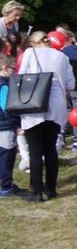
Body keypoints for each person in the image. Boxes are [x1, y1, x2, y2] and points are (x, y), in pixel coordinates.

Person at [17, 32, 72, 203]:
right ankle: (51, 188)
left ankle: (36, 190)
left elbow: (22, 76)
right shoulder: (62, 56)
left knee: (35, 150)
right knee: (50, 149)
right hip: (56, 106)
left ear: (33, 43)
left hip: (33, 103)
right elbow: (70, 83)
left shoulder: (29, 53)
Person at [0, 54, 21, 197]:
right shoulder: (5, 84)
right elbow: (6, 106)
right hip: (5, 126)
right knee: (6, 156)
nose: (15, 71)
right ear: (5, 68)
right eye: (14, 68)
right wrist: (17, 123)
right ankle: (5, 187)